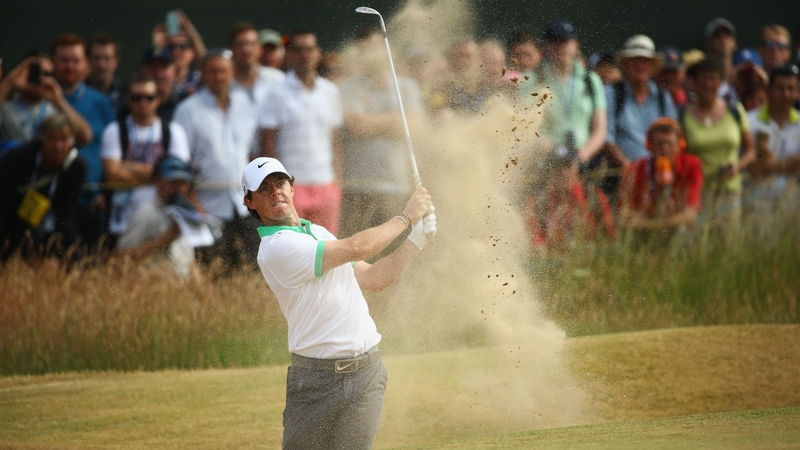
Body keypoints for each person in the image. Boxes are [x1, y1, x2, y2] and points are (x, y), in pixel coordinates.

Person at [241, 156, 436, 450]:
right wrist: (406, 217)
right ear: (250, 202)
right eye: (264, 189)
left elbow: (375, 278)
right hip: (314, 384)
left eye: (279, 183)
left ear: (292, 188)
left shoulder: (318, 233)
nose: (275, 192)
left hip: (366, 375)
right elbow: (358, 246)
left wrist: (416, 241)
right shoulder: (276, 248)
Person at [174, 48, 260, 268]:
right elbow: (180, 163)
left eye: (223, 71)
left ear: (232, 73)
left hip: (245, 203)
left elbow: (252, 153)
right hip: (207, 207)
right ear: (202, 73)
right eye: (212, 71)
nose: (218, 76)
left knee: (253, 268)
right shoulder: (187, 110)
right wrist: (193, 200)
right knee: (213, 269)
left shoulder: (246, 106)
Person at [338, 28, 423, 242]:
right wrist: (396, 121)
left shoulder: (407, 87)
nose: (371, 54)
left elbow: (412, 127)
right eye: (364, 50)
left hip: (398, 186)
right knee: (356, 255)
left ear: (388, 50)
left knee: (395, 253)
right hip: (358, 186)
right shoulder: (347, 88)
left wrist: (371, 123)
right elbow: (355, 125)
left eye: (376, 48)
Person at [258, 28, 344, 235]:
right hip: (292, 187)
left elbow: (335, 140)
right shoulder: (276, 92)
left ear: (318, 52)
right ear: (289, 54)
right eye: (298, 49)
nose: (305, 54)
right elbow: (268, 142)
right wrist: (279, 186)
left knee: (327, 249)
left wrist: (338, 182)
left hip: (326, 184)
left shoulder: (330, 91)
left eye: (310, 48)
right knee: (295, 250)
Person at [101, 74, 191, 240]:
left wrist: (126, 166)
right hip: (123, 218)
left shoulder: (173, 131)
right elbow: (112, 174)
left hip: (162, 217)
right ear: (128, 100)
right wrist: (158, 174)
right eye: (137, 98)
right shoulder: (114, 130)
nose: (143, 103)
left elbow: (177, 179)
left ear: (158, 99)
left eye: (149, 98)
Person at [51, 33, 116, 249]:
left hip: (92, 204)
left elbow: (114, 153)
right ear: (54, 62)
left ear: (85, 64)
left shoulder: (101, 102)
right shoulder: (40, 100)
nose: (70, 66)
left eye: (76, 61)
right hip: (50, 204)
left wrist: (106, 195)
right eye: (64, 60)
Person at [0, 113, 87, 263]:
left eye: (63, 139)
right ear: (42, 139)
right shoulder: (17, 160)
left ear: (71, 142)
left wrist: (66, 256)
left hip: (48, 222)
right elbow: (2, 205)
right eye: (52, 139)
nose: (57, 146)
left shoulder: (77, 168)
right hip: (14, 219)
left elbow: (66, 215)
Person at [682, 58, 754, 233]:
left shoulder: (734, 110)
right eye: (704, 79)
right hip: (697, 194)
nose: (708, 84)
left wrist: (737, 167)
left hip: (730, 192)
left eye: (713, 79)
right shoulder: (683, 115)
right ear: (695, 82)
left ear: (720, 83)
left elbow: (750, 151)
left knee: (729, 251)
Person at [603, 34, 677, 201]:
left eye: (645, 60)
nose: (639, 65)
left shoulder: (663, 98)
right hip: (621, 180)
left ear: (652, 66)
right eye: (634, 59)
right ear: (624, 64)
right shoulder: (611, 94)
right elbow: (606, 140)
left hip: (661, 182)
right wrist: (631, 170)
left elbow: (674, 138)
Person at [115, 155, 202, 281]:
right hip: (155, 289)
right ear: (158, 181)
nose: (178, 189)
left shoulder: (184, 212)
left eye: (182, 183)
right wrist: (166, 239)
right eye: (172, 182)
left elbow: (188, 261)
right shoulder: (146, 214)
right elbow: (120, 258)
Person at [620, 117, 703, 245]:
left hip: (673, 232)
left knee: (683, 238)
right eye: (659, 143)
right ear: (649, 145)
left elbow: (690, 214)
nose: (664, 149)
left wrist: (650, 224)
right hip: (643, 235)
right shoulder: (634, 170)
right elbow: (625, 216)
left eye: (670, 144)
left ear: (680, 145)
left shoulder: (691, 165)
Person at [745, 64, 800, 230]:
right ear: (768, 90)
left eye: (791, 89)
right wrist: (790, 164)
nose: (786, 94)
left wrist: (771, 165)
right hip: (757, 201)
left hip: (794, 200)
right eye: (780, 88)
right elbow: (748, 165)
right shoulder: (749, 121)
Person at [0, 53, 91, 150]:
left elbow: (84, 137)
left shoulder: (55, 109)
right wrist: (10, 83)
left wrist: (58, 101)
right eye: (35, 72)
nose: (41, 78)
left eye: (47, 74)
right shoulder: (5, 108)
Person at [153, 10, 207, 97]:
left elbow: (206, 63)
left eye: (182, 46)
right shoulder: (161, 79)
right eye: (171, 47)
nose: (176, 51)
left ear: (193, 53)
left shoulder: (198, 78)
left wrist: (190, 30)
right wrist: (158, 46)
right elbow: (155, 64)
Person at [229, 22, 286, 103]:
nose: (246, 50)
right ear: (232, 48)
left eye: (251, 43)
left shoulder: (278, 78)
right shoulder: (223, 82)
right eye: (240, 44)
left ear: (259, 48)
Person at [139, 46, 187, 124]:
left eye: (164, 67)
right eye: (153, 68)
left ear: (174, 70)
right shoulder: (133, 103)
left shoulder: (185, 103)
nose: (159, 74)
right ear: (143, 71)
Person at [85, 33, 123, 110]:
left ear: (116, 62)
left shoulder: (126, 95)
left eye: (107, 58)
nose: (101, 65)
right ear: (88, 60)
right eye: (96, 58)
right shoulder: (78, 93)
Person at [704, 18, 738, 101]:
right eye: (717, 35)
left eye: (727, 34)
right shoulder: (704, 78)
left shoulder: (742, 75)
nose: (722, 38)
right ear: (708, 44)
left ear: (734, 43)